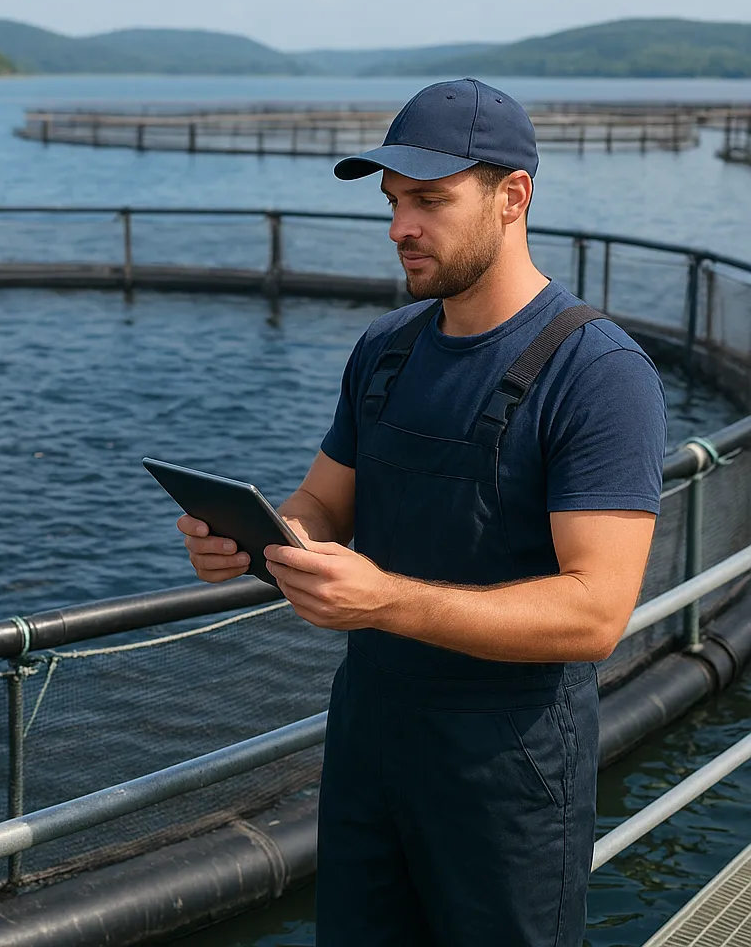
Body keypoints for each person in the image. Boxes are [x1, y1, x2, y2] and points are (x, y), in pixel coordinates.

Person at [177, 78, 667, 946]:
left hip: (510, 765)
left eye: (431, 201)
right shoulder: (386, 348)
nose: (402, 225)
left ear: (513, 196)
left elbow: (596, 611)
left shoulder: (597, 370)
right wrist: (264, 543)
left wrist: (383, 601)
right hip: (370, 735)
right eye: (395, 201)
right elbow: (325, 502)